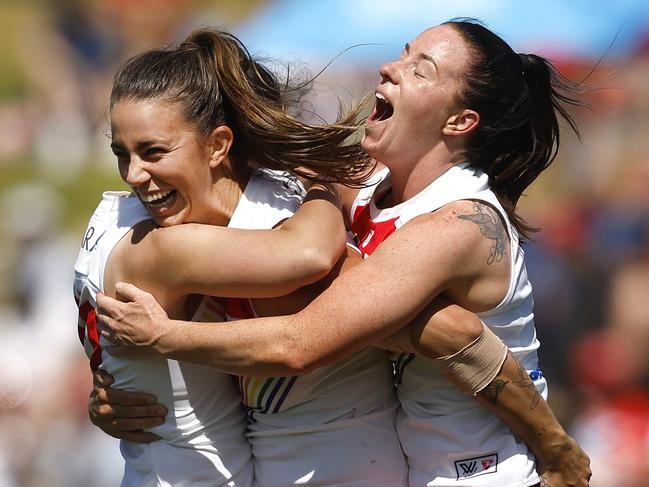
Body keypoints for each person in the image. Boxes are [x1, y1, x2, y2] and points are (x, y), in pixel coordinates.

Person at [96, 19, 592, 487]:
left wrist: (556, 448)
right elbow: (305, 179)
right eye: (402, 55)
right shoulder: (369, 188)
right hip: (410, 467)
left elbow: (303, 344)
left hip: (487, 472)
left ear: (460, 121)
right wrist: (130, 386)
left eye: (420, 69)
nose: (389, 69)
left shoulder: (458, 225)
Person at [73, 27, 405, 486]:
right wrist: (321, 181)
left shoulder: (126, 221)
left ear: (218, 145)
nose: (133, 175)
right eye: (122, 154)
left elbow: (437, 332)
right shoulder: (166, 245)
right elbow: (305, 255)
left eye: (152, 152)